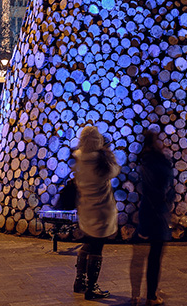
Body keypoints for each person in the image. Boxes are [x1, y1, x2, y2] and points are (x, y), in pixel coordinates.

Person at [73, 124, 119, 300]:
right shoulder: (100, 161)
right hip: (100, 211)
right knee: (97, 248)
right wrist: (108, 153)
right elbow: (114, 171)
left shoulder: (77, 158)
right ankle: (92, 287)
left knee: (87, 243)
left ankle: (79, 281)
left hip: (85, 210)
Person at [133, 131, 174, 306]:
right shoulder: (159, 162)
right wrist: (166, 202)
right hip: (158, 212)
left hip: (148, 211)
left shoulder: (145, 161)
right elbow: (164, 187)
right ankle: (151, 296)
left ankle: (137, 294)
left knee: (141, 256)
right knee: (154, 256)